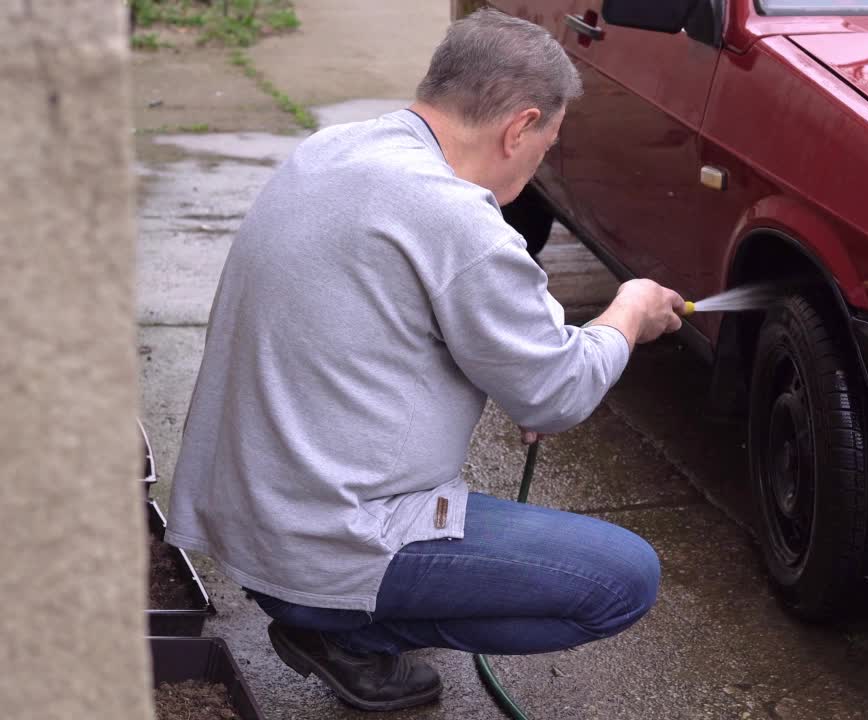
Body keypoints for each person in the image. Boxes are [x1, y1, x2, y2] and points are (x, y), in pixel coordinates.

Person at [164, 9, 685, 712]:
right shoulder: (458, 221)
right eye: (547, 144)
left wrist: (518, 365)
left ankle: (333, 614)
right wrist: (630, 310)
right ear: (518, 128)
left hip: (245, 521)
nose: (539, 164)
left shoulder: (330, 150)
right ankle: (347, 632)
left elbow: (389, 321)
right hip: (321, 541)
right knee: (623, 579)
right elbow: (558, 394)